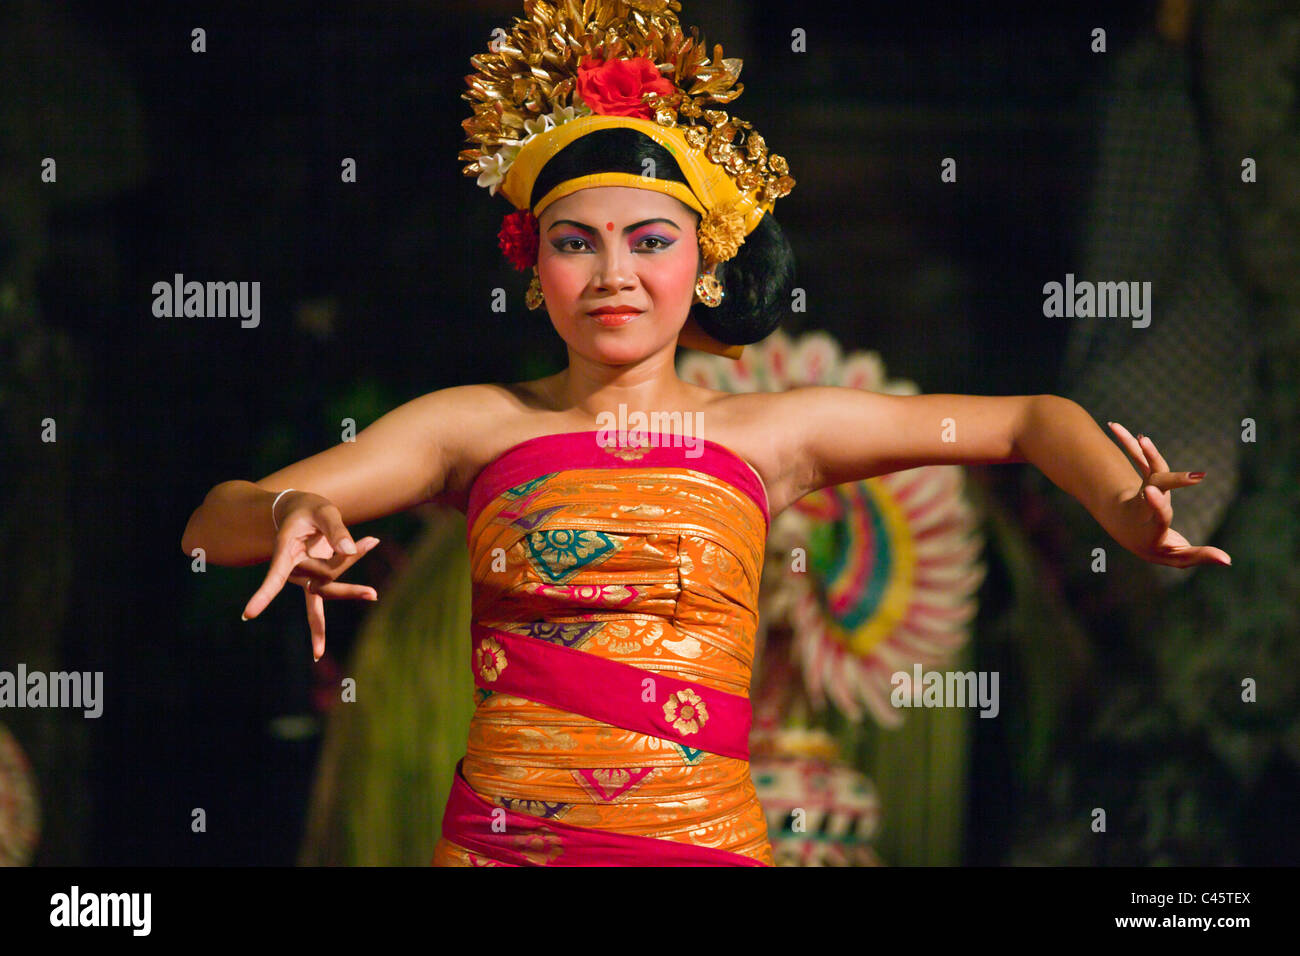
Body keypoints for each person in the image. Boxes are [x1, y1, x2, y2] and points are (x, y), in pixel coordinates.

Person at [180, 0, 1231, 866]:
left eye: (648, 241)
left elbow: (1024, 421)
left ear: (707, 262)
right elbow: (213, 520)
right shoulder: (477, 425)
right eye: (573, 244)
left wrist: (1123, 502)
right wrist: (292, 506)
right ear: (531, 262)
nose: (613, 275)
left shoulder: (774, 432)